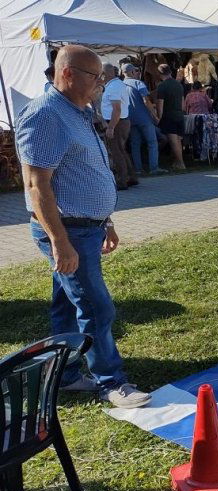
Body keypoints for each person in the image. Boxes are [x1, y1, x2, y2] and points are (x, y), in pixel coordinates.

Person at [16, 45, 152, 409]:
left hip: (84, 227)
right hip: (67, 230)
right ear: (68, 73)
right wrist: (60, 242)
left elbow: (87, 170)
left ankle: (66, 374)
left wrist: (105, 219)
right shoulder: (45, 115)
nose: (101, 84)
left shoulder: (77, 110)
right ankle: (111, 382)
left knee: (66, 304)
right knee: (95, 306)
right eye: (95, 77)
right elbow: (37, 186)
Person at [122, 64, 165, 176]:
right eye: (136, 71)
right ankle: (154, 168)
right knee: (152, 143)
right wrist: (155, 116)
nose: (137, 73)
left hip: (129, 119)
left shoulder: (121, 85)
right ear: (132, 72)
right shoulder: (138, 83)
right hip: (144, 119)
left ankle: (138, 170)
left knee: (135, 144)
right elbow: (146, 101)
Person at [101, 64, 136, 190]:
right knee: (122, 150)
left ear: (105, 74)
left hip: (116, 122)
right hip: (121, 121)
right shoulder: (117, 84)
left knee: (117, 152)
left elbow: (116, 109)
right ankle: (131, 177)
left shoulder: (113, 87)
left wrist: (110, 127)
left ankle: (122, 181)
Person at [155, 63, 186, 170]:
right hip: (179, 115)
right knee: (178, 140)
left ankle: (181, 163)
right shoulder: (179, 85)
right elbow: (183, 104)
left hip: (169, 116)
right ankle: (177, 162)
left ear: (159, 74)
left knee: (173, 141)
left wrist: (159, 118)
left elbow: (160, 105)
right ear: (170, 72)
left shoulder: (162, 86)